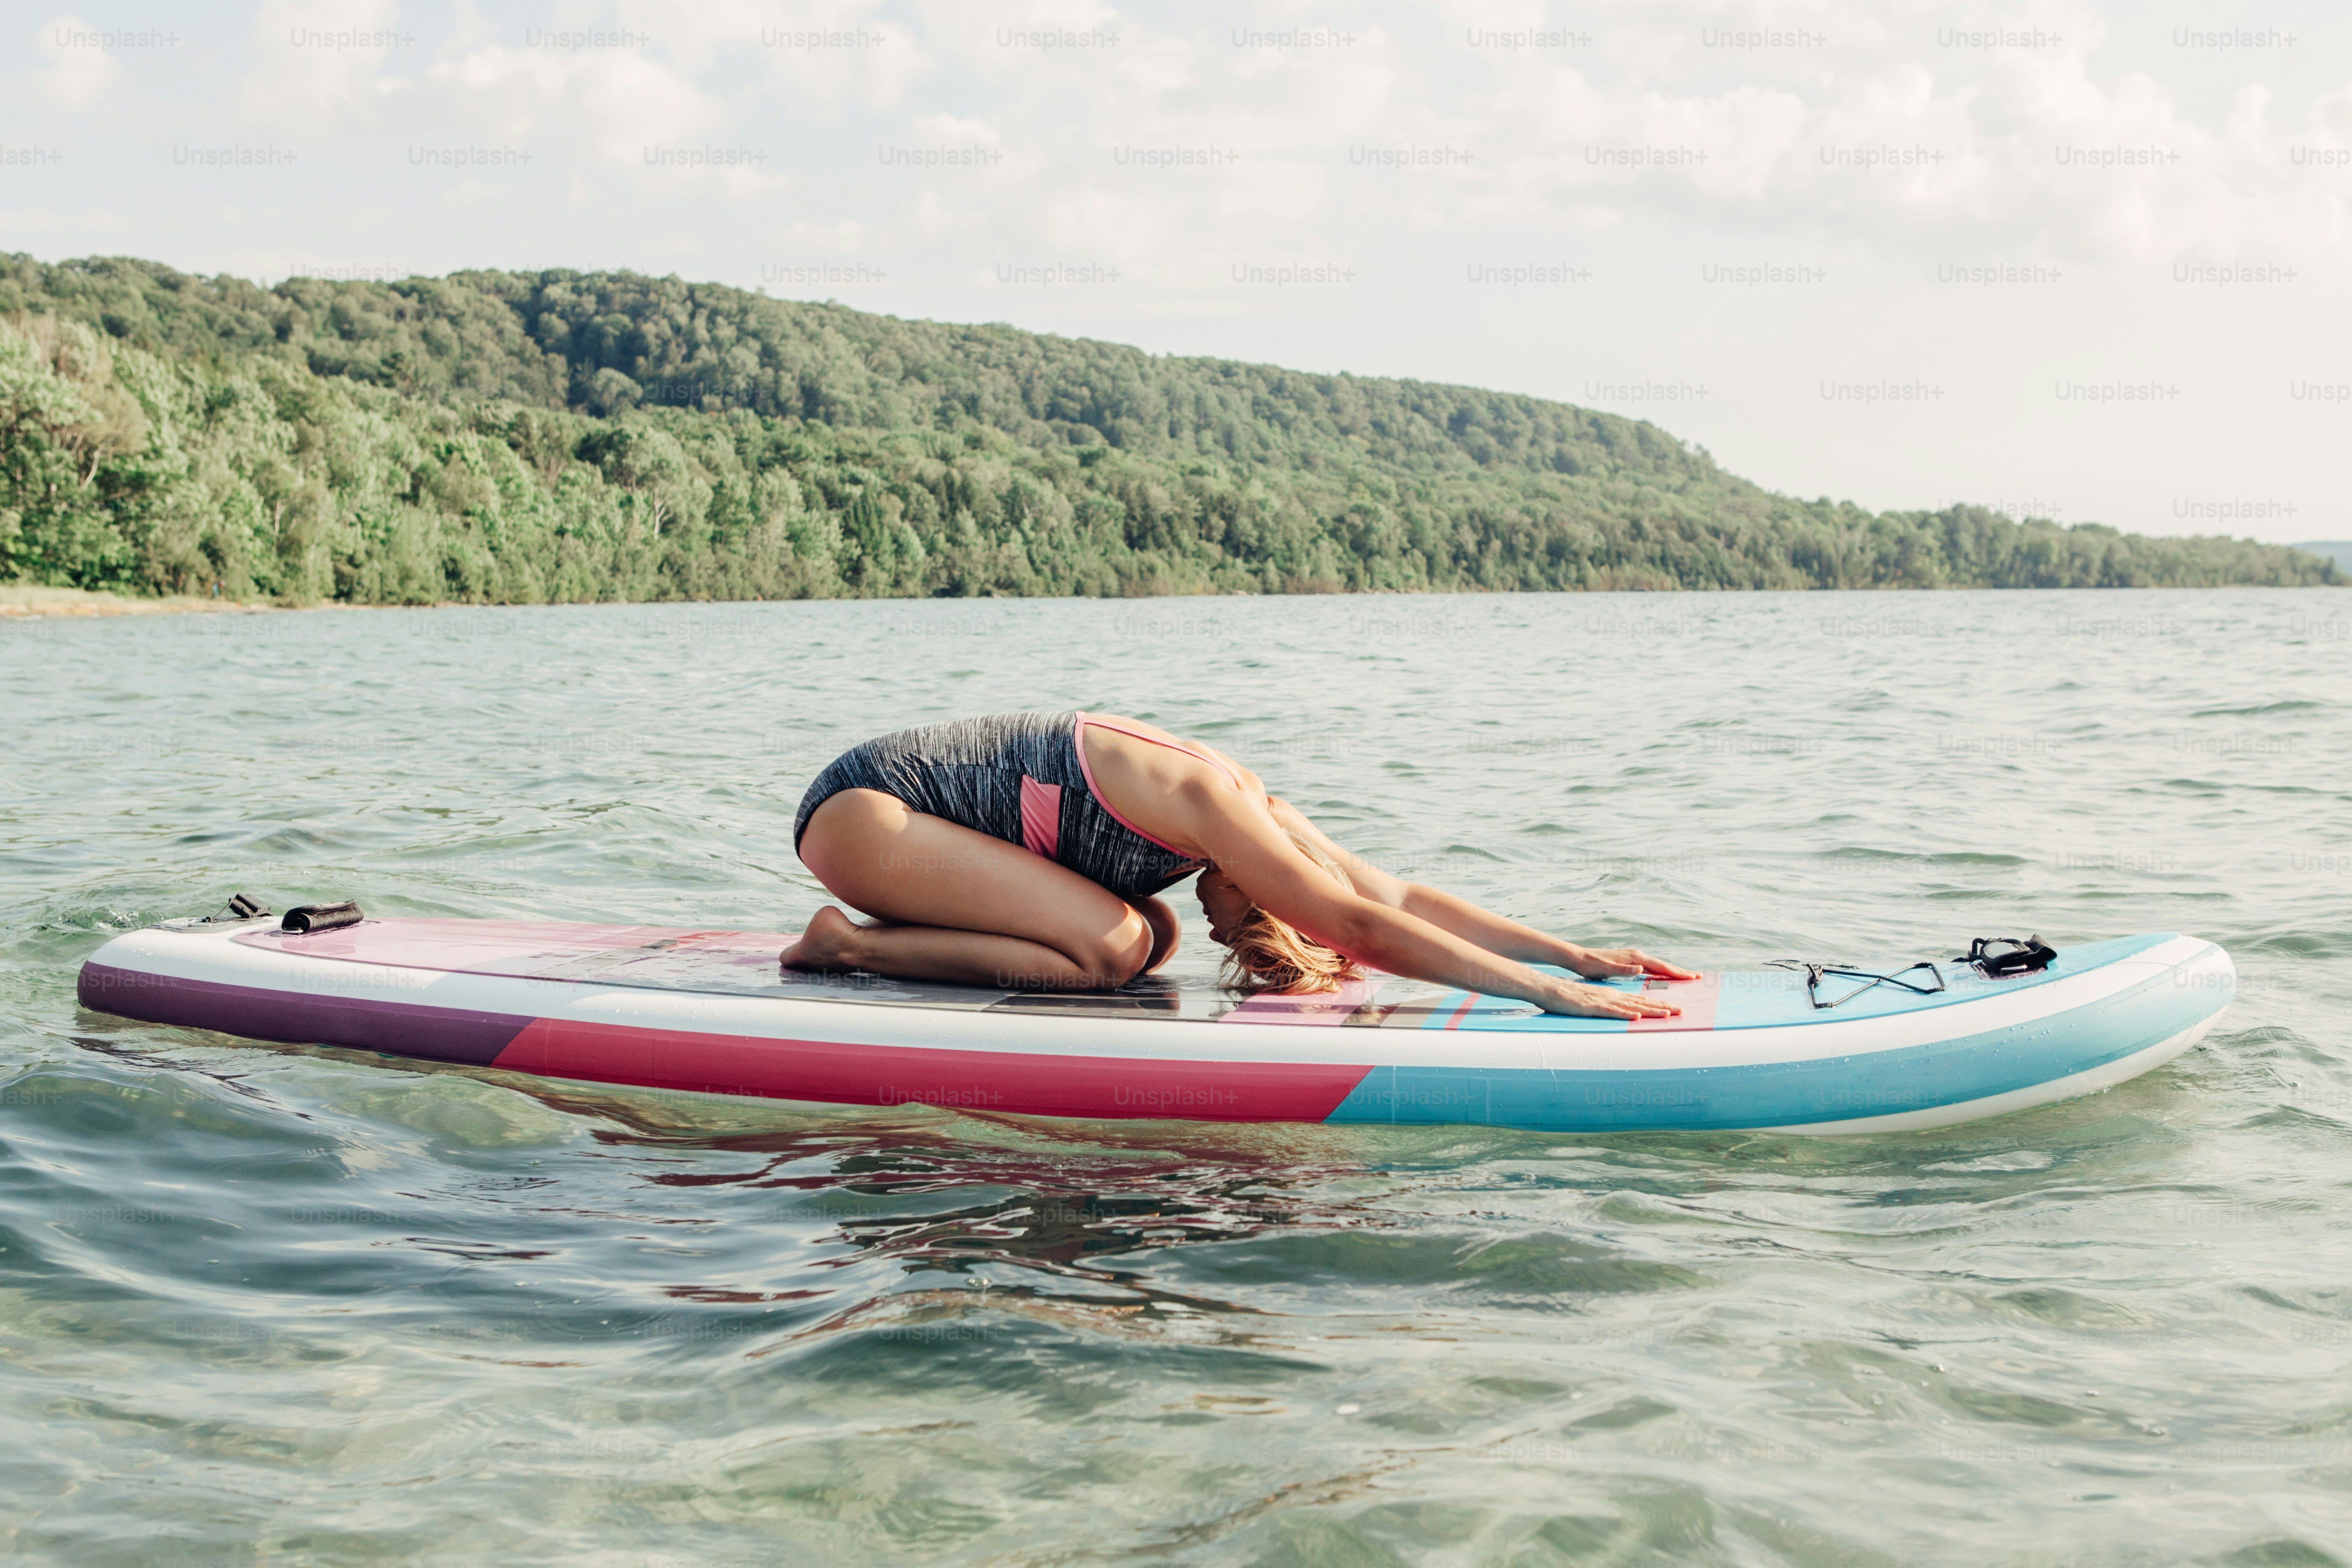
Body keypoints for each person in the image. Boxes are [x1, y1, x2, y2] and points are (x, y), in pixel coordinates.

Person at [781, 711, 1694, 1019]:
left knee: (1150, 935)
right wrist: (1544, 997)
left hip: (899, 832)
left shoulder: (1270, 816)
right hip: (865, 816)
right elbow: (1364, 926)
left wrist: (1570, 954)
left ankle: (883, 934)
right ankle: (847, 946)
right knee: (1111, 947)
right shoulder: (1219, 806)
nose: (1229, 928)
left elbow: (1395, 895)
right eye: (1251, 920)